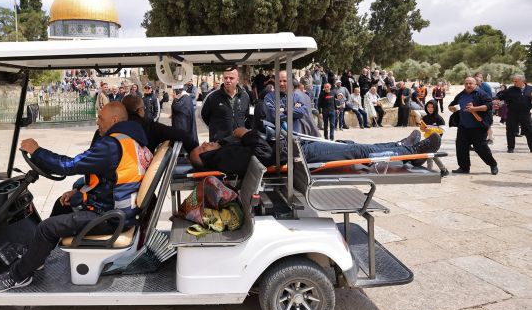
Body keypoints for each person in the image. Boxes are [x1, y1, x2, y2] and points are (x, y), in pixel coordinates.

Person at [0, 102, 152, 292]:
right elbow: (111, 180)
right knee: (62, 204)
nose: (97, 122)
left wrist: (37, 151)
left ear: (114, 120)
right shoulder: (131, 140)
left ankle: (18, 276)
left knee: (47, 228)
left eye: (101, 119)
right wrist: (81, 193)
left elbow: (68, 166)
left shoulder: (112, 145)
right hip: (121, 211)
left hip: (113, 218)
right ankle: (34, 256)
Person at [188, 127, 441, 176]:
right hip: (298, 156)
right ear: (206, 158)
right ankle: (412, 151)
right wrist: (247, 134)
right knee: (356, 151)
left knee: (349, 145)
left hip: (295, 148)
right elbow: (263, 154)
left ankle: (402, 146)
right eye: (202, 148)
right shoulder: (222, 158)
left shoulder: (222, 150)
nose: (205, 143)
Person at [448, 77, 498, 175]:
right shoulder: (461, 95)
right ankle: (464, 168)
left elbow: (488, 106)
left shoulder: (481, 94)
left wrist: (474, 109)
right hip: (463, 126)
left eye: (471, 83)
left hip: (478, 127)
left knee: (481, 148)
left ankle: (493, 164)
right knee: (461, 147)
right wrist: (452, 108)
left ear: (475, 84)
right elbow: (451, 106)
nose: (468, 85)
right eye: (466, 83)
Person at [122, 95, 199, 153]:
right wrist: (194, 150)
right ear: (140, 110)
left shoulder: (115, 126)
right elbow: (181, 134)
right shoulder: (150, 126)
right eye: (144, 108)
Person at [201, 67, 251, 142]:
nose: (228, 80)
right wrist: (216, 132)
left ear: (237, 80)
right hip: (219, 143)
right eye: (225, 78)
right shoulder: (212, 97)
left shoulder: (245, 96)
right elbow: (204, 115)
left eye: (231, 78)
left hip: (238, 142)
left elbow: (247, 116)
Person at [497, 74, 532, 153]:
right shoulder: (510, 89)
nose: (514, 83)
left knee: (529, 131)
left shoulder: (530, 89)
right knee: (510, 130)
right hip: (512, 113)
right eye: (513, 81)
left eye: (516, 81)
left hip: (525, 114)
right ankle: (510, 148)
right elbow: (500, 96)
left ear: (522, 81)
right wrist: (497, 98)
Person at [420, 100, 449, 177]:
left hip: (436, 141)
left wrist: (431, 130)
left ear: (435, 108)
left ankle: (429, 172)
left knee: (430, 155)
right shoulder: (425, 118)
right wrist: (423, 129)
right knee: (432, 155)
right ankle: (444, 170)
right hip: (427, 140)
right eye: (428, 107)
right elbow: (422, 128)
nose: (430, 109)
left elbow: (442, 130)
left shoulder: (439, 118)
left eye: (432, 107)